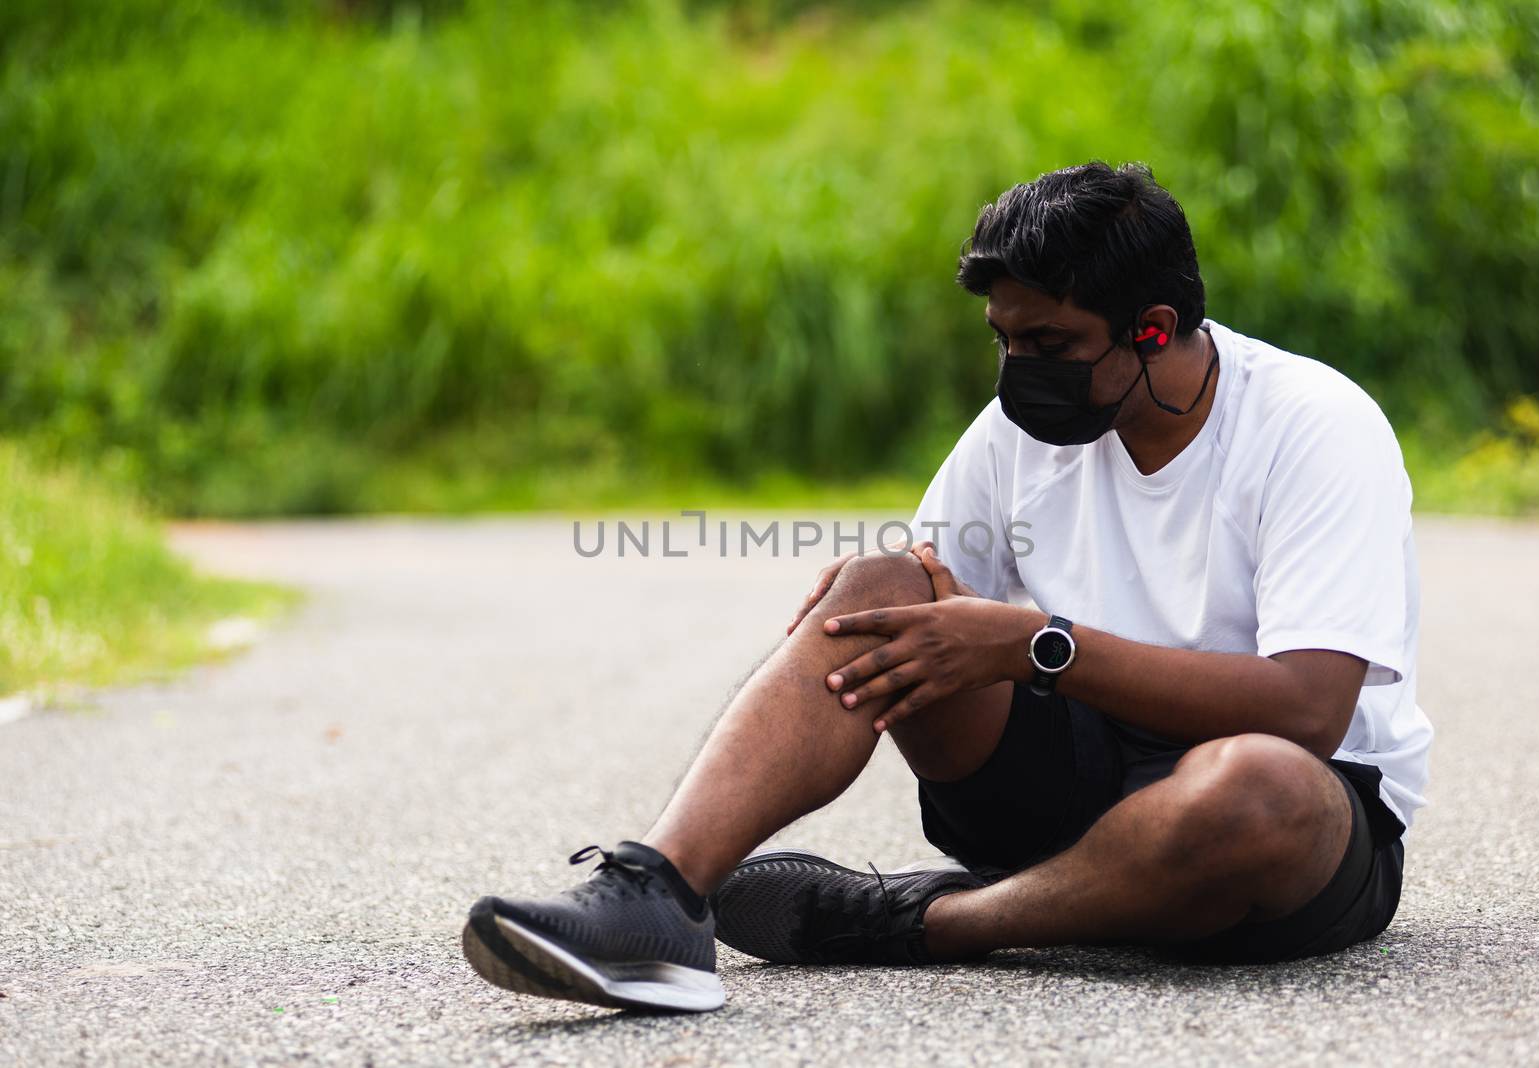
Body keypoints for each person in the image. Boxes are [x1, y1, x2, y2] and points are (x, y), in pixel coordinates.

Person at [460, 162, 1433, 1013]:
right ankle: (656, 896)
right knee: (881, 580)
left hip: (1285, 826)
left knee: (1251, 786)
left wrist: (1033, 644)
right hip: (1069, 786)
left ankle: (933, 921)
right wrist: (870, 601)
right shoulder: (1026, 427)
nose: (1018, 372)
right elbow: (920, 589)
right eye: (1002, 340)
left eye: (1049, 345)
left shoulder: (1312, 427)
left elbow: (1308, 708)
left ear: (1154, 329)